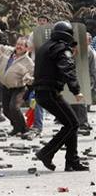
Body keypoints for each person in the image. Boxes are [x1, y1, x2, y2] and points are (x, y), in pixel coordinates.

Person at [33, 21, 89, 172]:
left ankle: (72, 161)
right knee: (73, 124)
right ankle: (46, 153)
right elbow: (68, 70)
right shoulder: (62, 48)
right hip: (50, 92)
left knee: (71, 123)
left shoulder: (46, 47)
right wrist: (76, 91)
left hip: (43, 92)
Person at [0, 32, 34, 136]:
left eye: (21, 45)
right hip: (5, 86)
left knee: (14, 107)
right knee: (6, 111)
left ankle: (24, 129)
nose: (18, 47)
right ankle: (16, 127)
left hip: (19, 88)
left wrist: (29, 78)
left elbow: (34, 77)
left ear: (26, 48)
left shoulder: (28, 62)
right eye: (17, 44)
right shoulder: (7, 51)